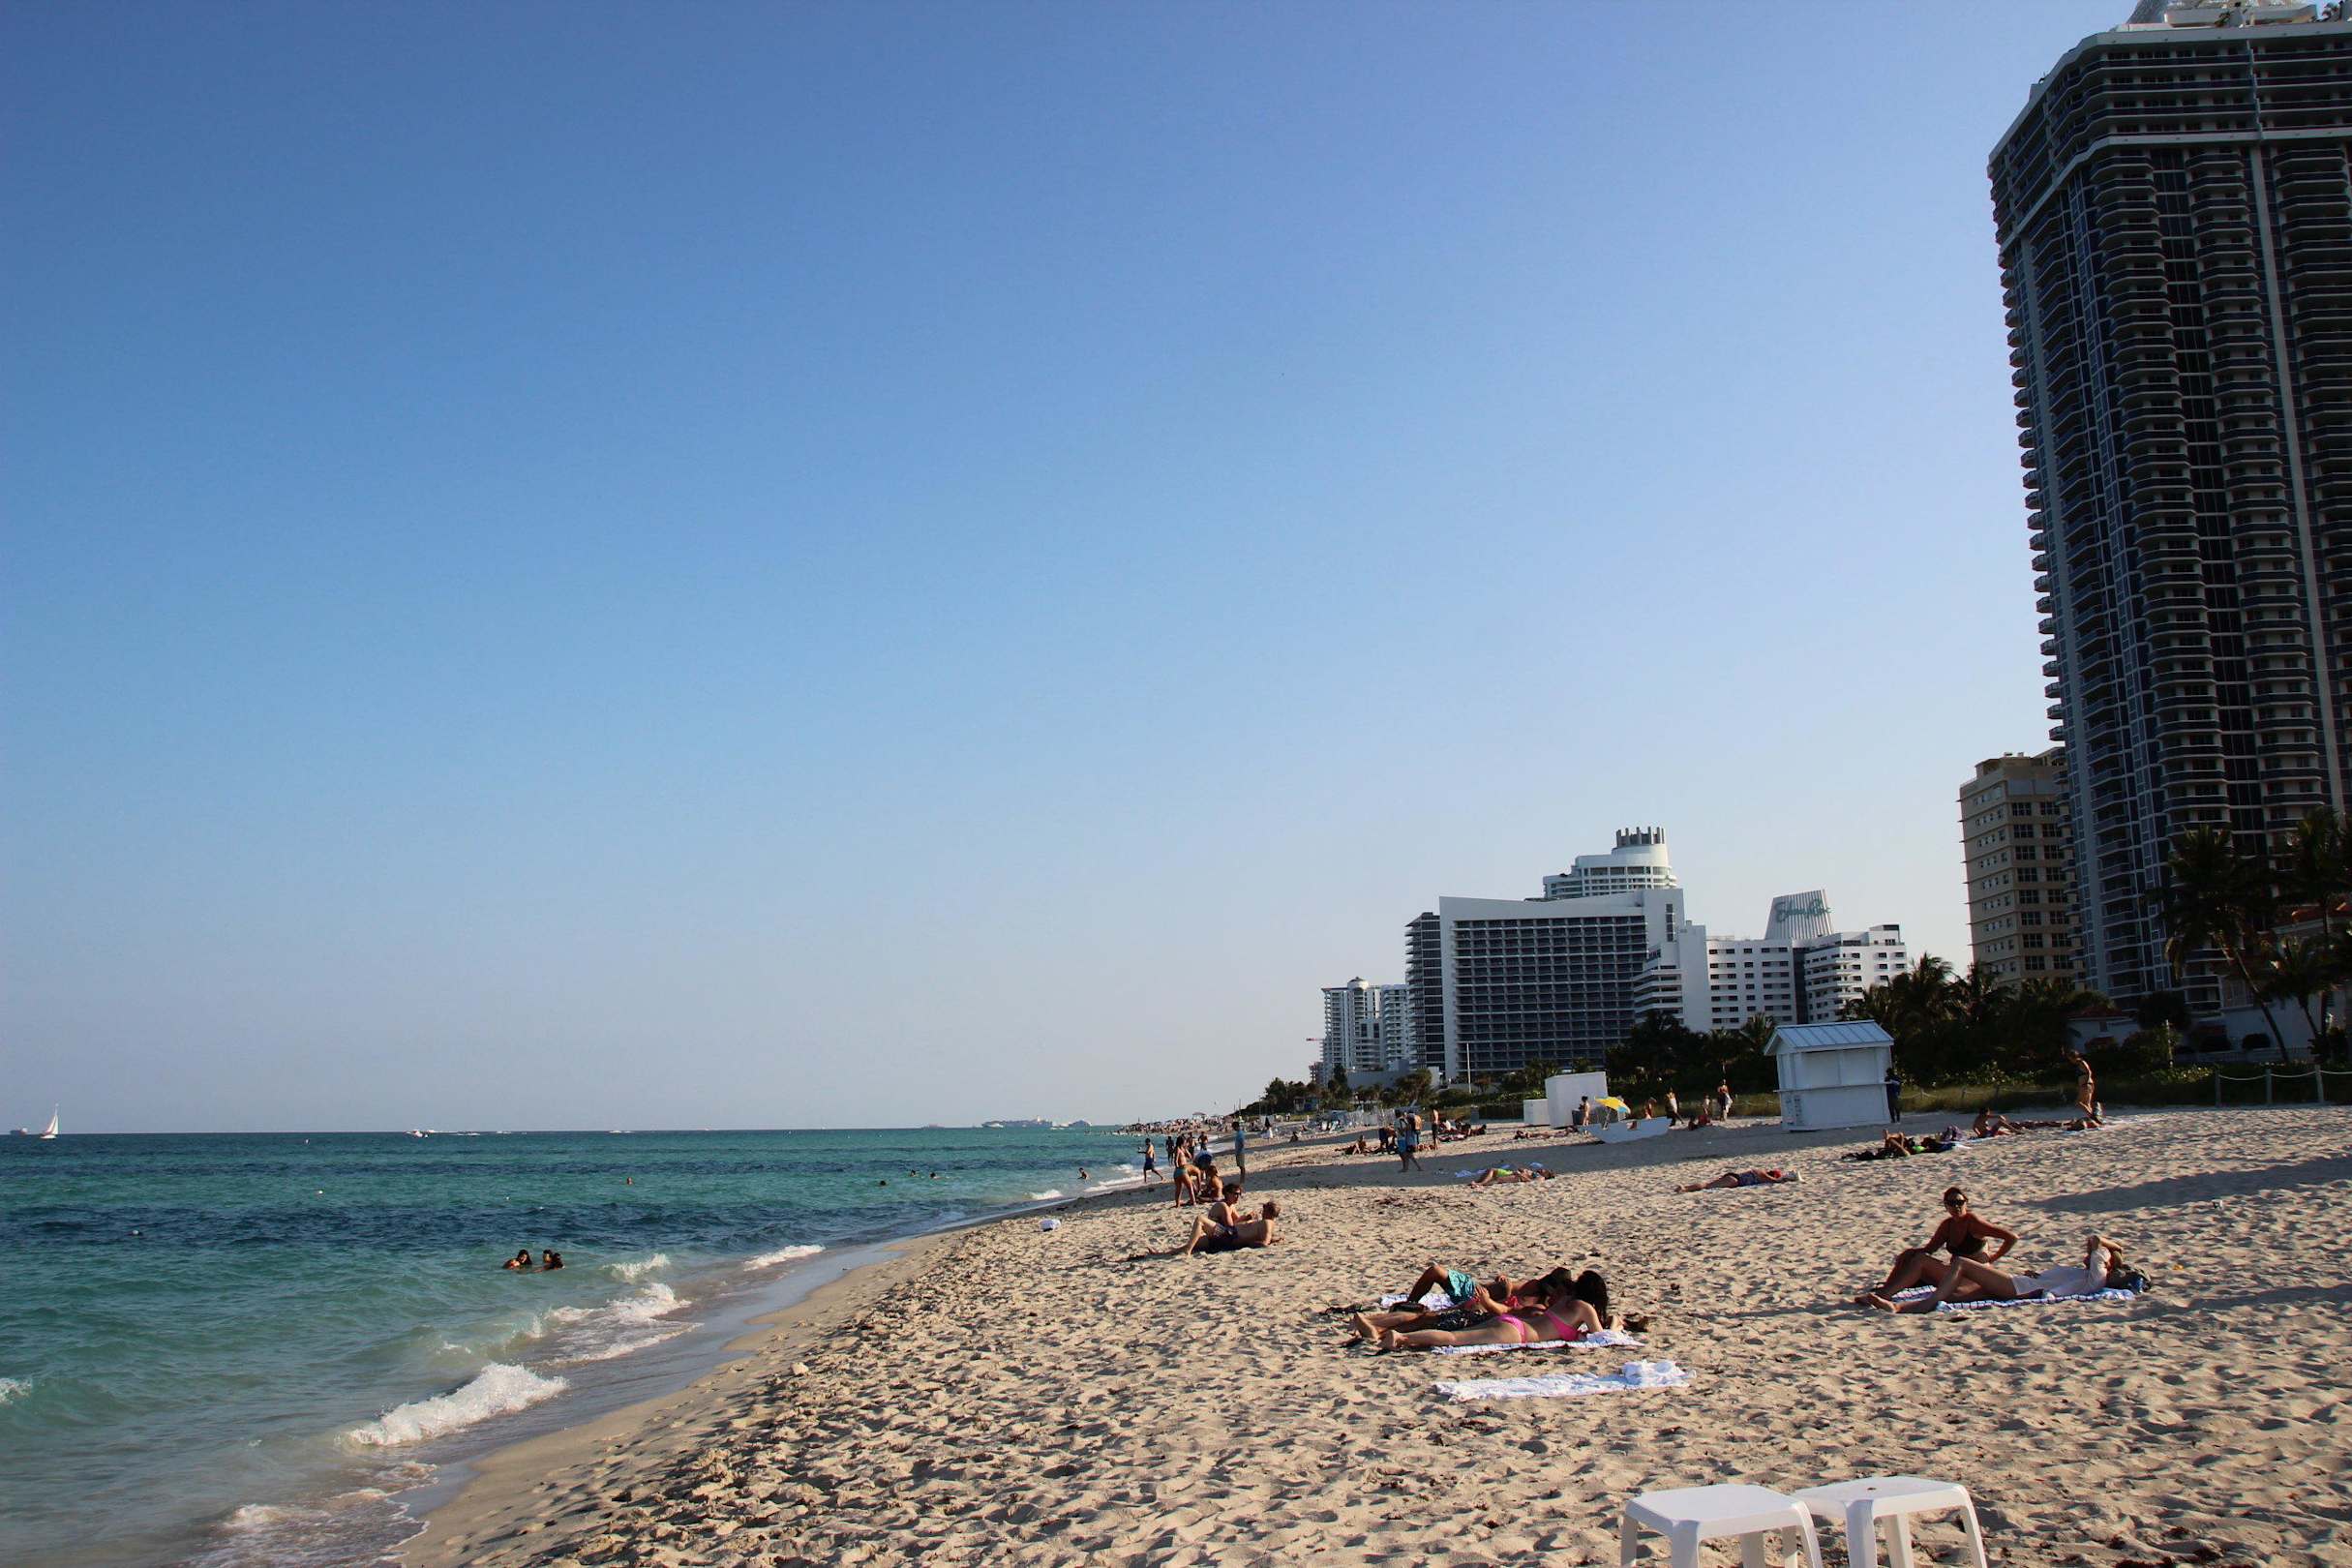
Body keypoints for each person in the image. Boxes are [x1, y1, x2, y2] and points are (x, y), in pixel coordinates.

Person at [1863, 1233, 2129, 1312]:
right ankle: (1892, 1302)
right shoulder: (2079, 1273)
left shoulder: (2095, 1278)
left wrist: (2113, 1249)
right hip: (2017, 1284)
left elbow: (2095, 1240)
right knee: (1941, 1277)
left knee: (1962, 1264)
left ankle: (1926, 1304)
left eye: (2093, 1258)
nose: (2087, 1255)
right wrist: (2037, 1275)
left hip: (2017, 1288)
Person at [1374, 1268, 1616, 1351]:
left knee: (1455, 1334)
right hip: (1518, 1333)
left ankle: (1397, 1333)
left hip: (1512, 1323)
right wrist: (1616, 1324)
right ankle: (1401, 1338)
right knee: (1454, 1339)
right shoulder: (1584, 1308)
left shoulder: (1565, 1302)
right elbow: (1602, 1337)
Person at [1856, 1187, 2018, 1307]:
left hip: (1975, 1280)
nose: (1956, 1207)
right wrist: (1908, 1254)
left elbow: (2011, 1238)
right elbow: (1929, 1249)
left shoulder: (1974, 1223)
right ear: (1945, 1206)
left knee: (1921, 1261)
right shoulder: (1948, 1225)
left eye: (1960, 1202)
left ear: (1966, 1203)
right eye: (1952, 1203)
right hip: (1956, 1275)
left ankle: (1884, 1295)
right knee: (1912, 1256)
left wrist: (1992, 1258)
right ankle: (1886, 1290)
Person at [1186, 1197, 1280, 1255]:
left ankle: (1187, 1251)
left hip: (1229, 1235)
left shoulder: (1267, 1222)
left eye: (1264, 1207)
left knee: (1200, 1219)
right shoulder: (1265, 1223)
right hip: (1228, 1236)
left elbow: (1264, 1243)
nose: (1262, 1210)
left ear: (1269, 1211)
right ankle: (1184, 1250)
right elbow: (1267, 1237)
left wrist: (1247, 1243)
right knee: (1193, 1243)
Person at [1678, 1167, 1798, 1191]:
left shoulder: (1762, 1175)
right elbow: (1775, 1181)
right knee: (1707, 1185)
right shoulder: (1762, 1174)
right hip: (1735, 1180)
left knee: (1708, 1185)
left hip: (1734, 1178)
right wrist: (1784, 1179)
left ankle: (1686, 1188)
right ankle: (1685, 1188)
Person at [1470, 1163, 1553, 1187]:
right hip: (1514, 1173)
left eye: (1546, 1171)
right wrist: (1522, 1170)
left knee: (1498, 1178)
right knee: (1491, 1170)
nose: (1543, 1170)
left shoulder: (1541, 1178)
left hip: (1517, 1177)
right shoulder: (1536, 1173)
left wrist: (1520, 1175)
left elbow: (1530, 1181)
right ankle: (1478, 1181)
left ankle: (1481, 1184)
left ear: (1547, 1175)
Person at [2071, 1048, 2097, 1121]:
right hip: (2087, 1084)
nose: (2071, 1061)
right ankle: (2093, 1118)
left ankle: (2093, 1117)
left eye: (2071, 1059)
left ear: (2073, 1057)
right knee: (2086, 1103)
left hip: (2086, 1085)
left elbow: (2089, 1072)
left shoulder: (2082, 1062)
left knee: (2078, 1102)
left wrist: (2086, 1082)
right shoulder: (2080, 1063)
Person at [1232, 1117, 1249, 1181]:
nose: (1233, 1129)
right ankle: (1242, 1178)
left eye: (1233, 1127)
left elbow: (1242, 1142)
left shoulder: (1240, 1133)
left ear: (1236, 1127)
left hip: (1240, 1152)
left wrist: (1239, 1150)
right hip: (1238, 1152)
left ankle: (1242, 1179)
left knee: (1241, 1166)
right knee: (1240, 1166)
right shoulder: (1239, 1133)